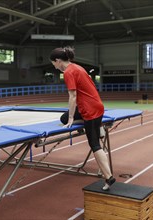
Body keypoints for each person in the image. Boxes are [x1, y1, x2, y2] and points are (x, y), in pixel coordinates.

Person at [49, 46, 115, 190]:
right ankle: (96, 126)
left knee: (95, 145)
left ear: (58, 61)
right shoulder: (77, 67)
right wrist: (69, 117)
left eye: (54, 64)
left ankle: (108, 177)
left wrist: (72, 118)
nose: (54, 67)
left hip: (90, 111)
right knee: (63, 118)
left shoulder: (68, 72)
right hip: (98, 106)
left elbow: (72, 96)